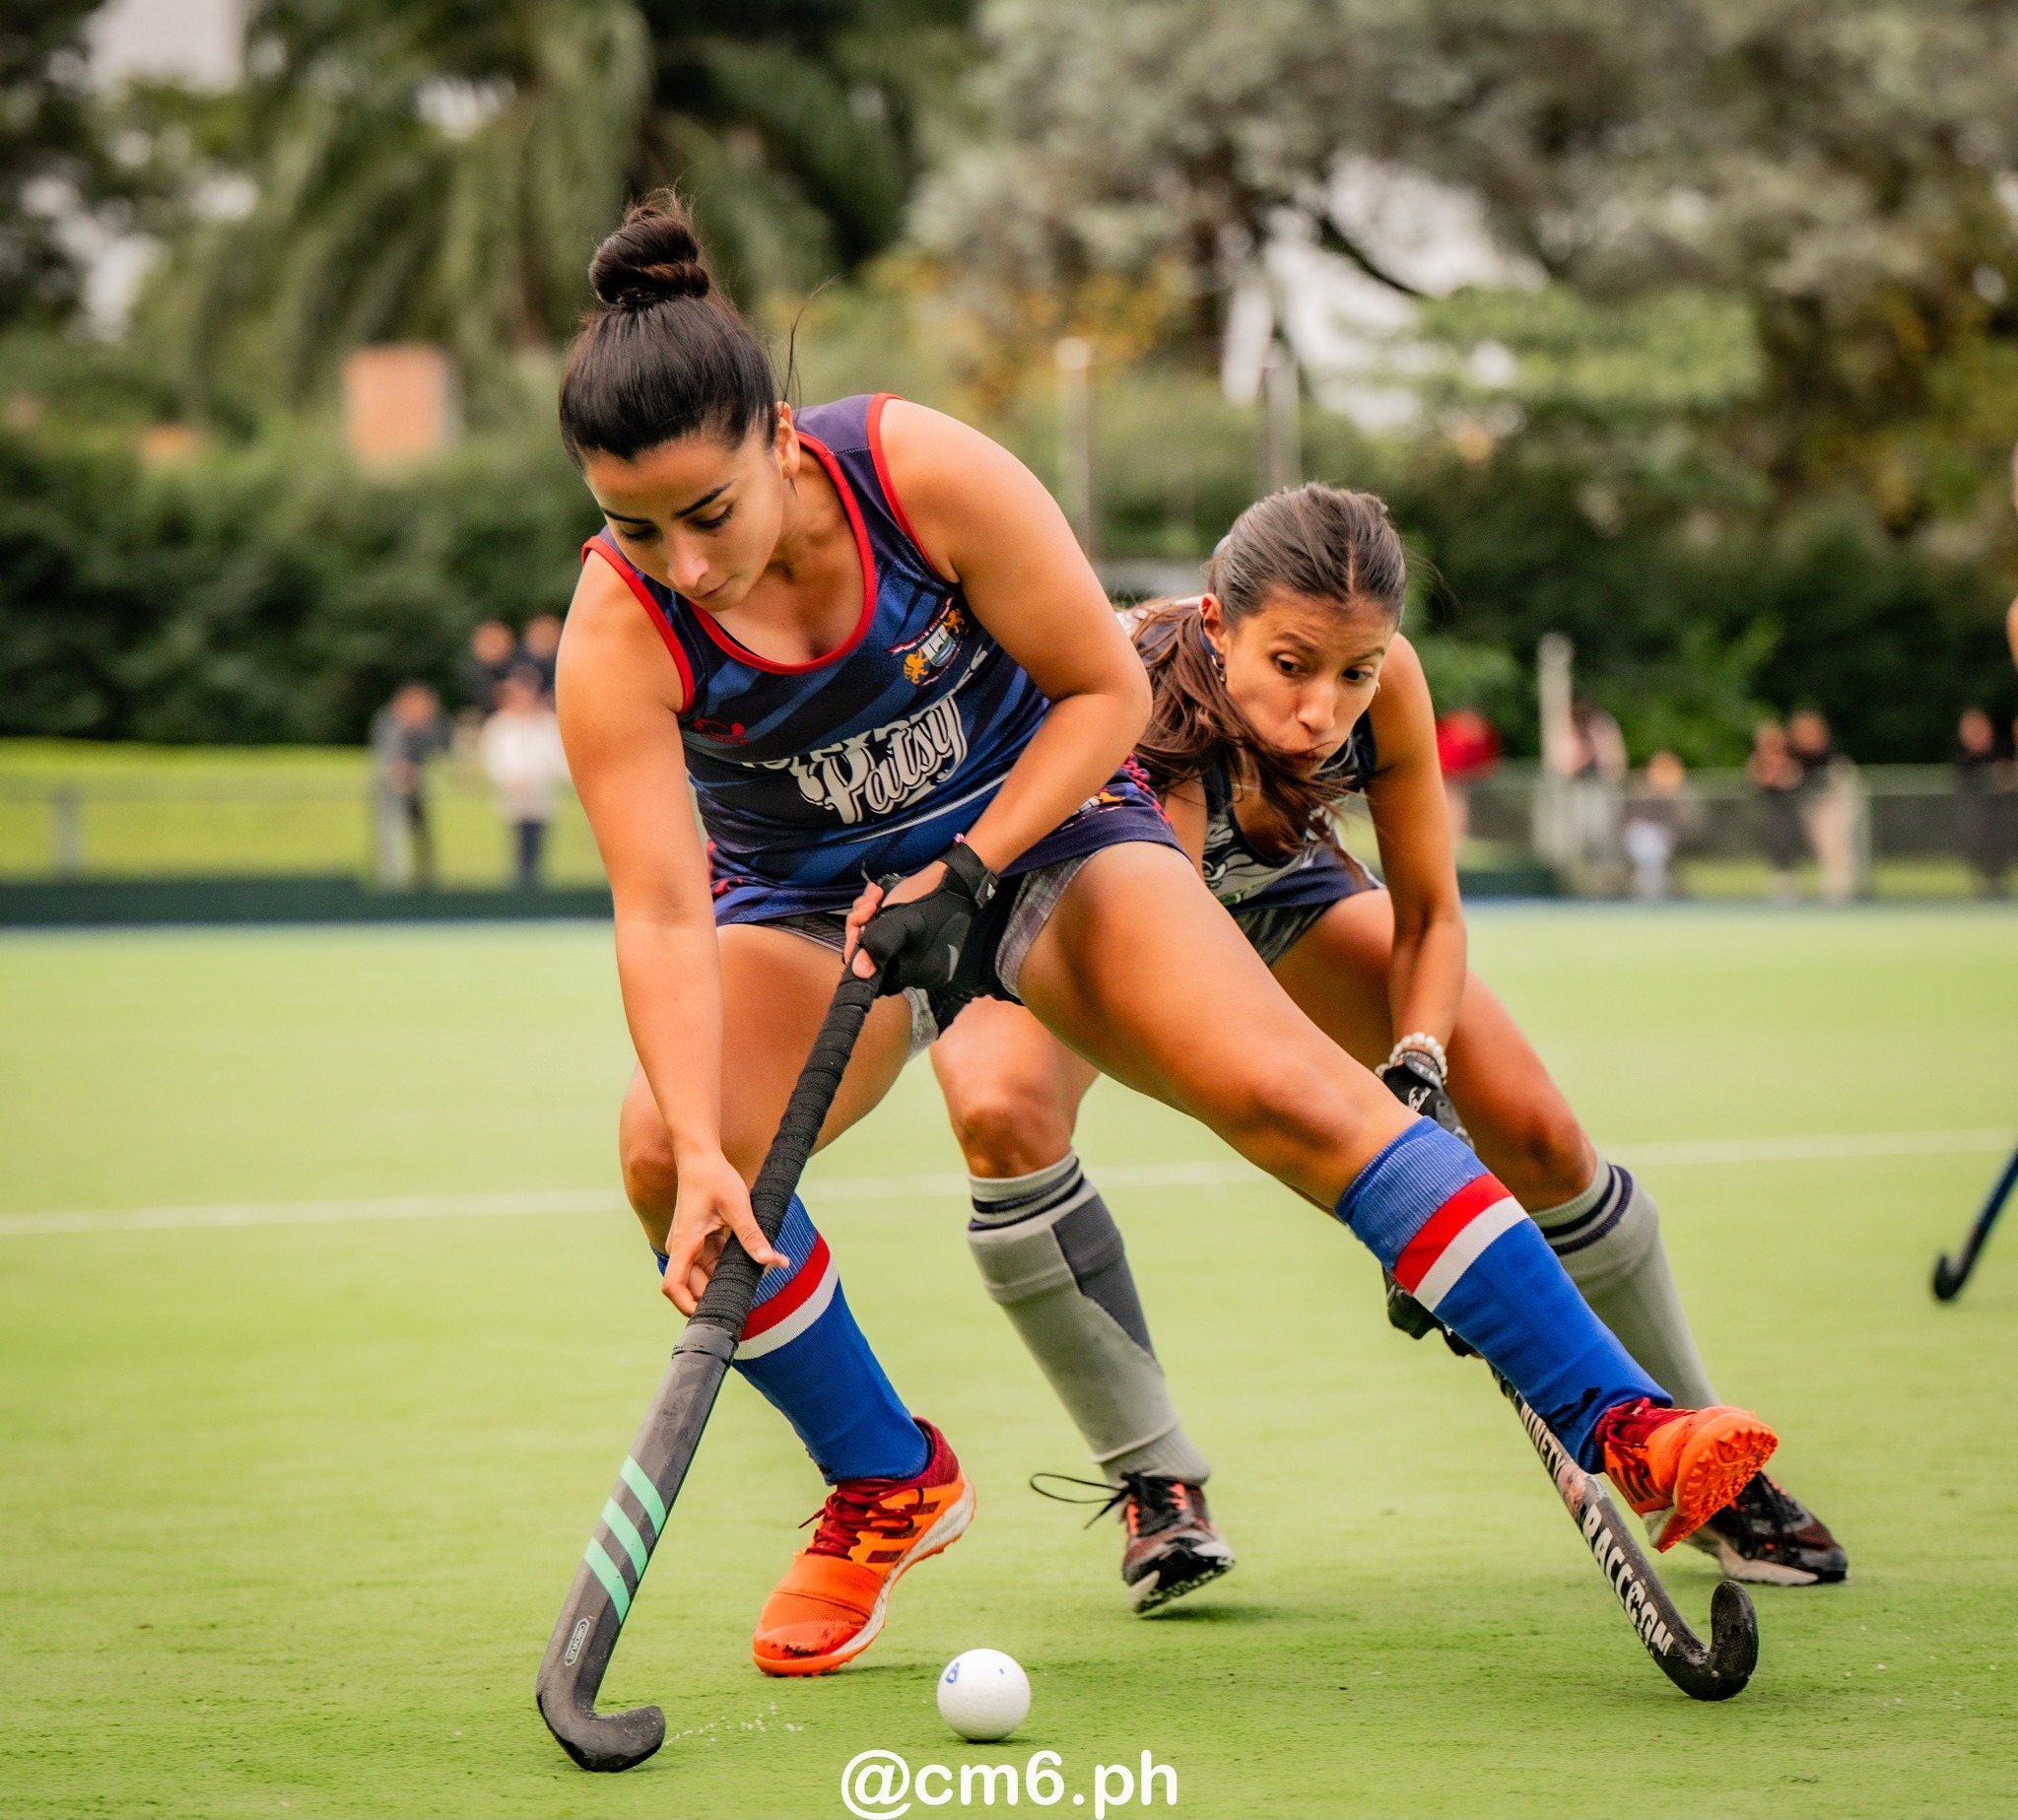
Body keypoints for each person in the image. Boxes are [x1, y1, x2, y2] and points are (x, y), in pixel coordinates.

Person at [552, 196, 1781, 1681]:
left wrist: (973, 858)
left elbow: (1101, 695)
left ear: (784, 440)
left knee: (1290, 1093)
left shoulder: (920, 472)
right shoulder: (621, 630)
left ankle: (1630, 1424)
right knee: (658, 1146)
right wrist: (697, 1146)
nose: (683, 562)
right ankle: (886, 1476)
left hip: (1041, 825)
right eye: (635, 526)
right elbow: (664, 906)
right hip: (813, 903)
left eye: (709, 514)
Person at [929, 490, 1845, 1608]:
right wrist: (1402, 1208)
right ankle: (1153, 1477)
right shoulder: (1137, 698)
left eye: (1352, 672)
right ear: (1216, 623)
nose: (1323, 709)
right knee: (997, 1104)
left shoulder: (1384, 683)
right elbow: (1199, 1045)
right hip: (1082, 902)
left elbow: (1430, 919)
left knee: (1538, 1129)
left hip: (1271, 883)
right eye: (1292, 663)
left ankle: (1704, 1463)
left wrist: (1414, 1066)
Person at [480, 663, 572, 887]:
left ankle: (532, 887)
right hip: (513, 797)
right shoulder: (499, 725)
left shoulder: (546, 724)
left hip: (541, 796)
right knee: (518, 846)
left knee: (536, 845)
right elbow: (493, 760)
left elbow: (557, 759)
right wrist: (511, 780)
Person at [370, 681, 449, 888]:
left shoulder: (430, 726)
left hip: (416, 786)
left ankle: (424, 880)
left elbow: (439, 750)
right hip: (391, 787)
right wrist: (401, 773)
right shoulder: (390, 724)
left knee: (420, 834)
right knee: (391, 831)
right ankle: (392, 881)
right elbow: (388, 758)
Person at [1620, 750, 1702, 901]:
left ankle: (1655, 885)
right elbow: (1627, 821)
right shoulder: (1640, 792)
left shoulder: (1680, 797)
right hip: (1640, 839)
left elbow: (1690, 824)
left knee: (1653, 848)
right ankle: (1647, 885)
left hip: (1668, 840)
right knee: (1644, 841)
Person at [1953, 707, 2013, 897]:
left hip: (2002, 815)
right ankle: (1983, 885)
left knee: (2001, 849)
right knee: (1980, 849)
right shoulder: (1961, 756)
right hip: (1977, 815)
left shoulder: (2002, 748)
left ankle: (2000, 884)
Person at [1748, 721, 1805, 903]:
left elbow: (1793, 780)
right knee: (1774, 846)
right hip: (1768, 811)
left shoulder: (1791, 760)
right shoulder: (1756, 761)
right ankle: (1778, 885)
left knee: (1788, 845)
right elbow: (1757, 782)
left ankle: (1789, 886)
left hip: (1789, 810)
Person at [1434, 707, 1499, 851]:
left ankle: (1454, 848)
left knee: (1456, 814)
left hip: (1457, 785)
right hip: (1445, 783)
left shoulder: (1475, 737)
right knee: (1449, 813)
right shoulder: (1452, 731)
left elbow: (1487, 767)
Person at [459, 620, 518, 714]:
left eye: (497, 640)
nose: (494, 646)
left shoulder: (517, 664)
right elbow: (491, 699)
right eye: (490, 641)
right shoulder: (474, 672)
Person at [521, 613, 564, 701]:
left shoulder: (566, 667)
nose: (544, 639)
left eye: (548, 635)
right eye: (540, 633)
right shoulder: (515, 666)